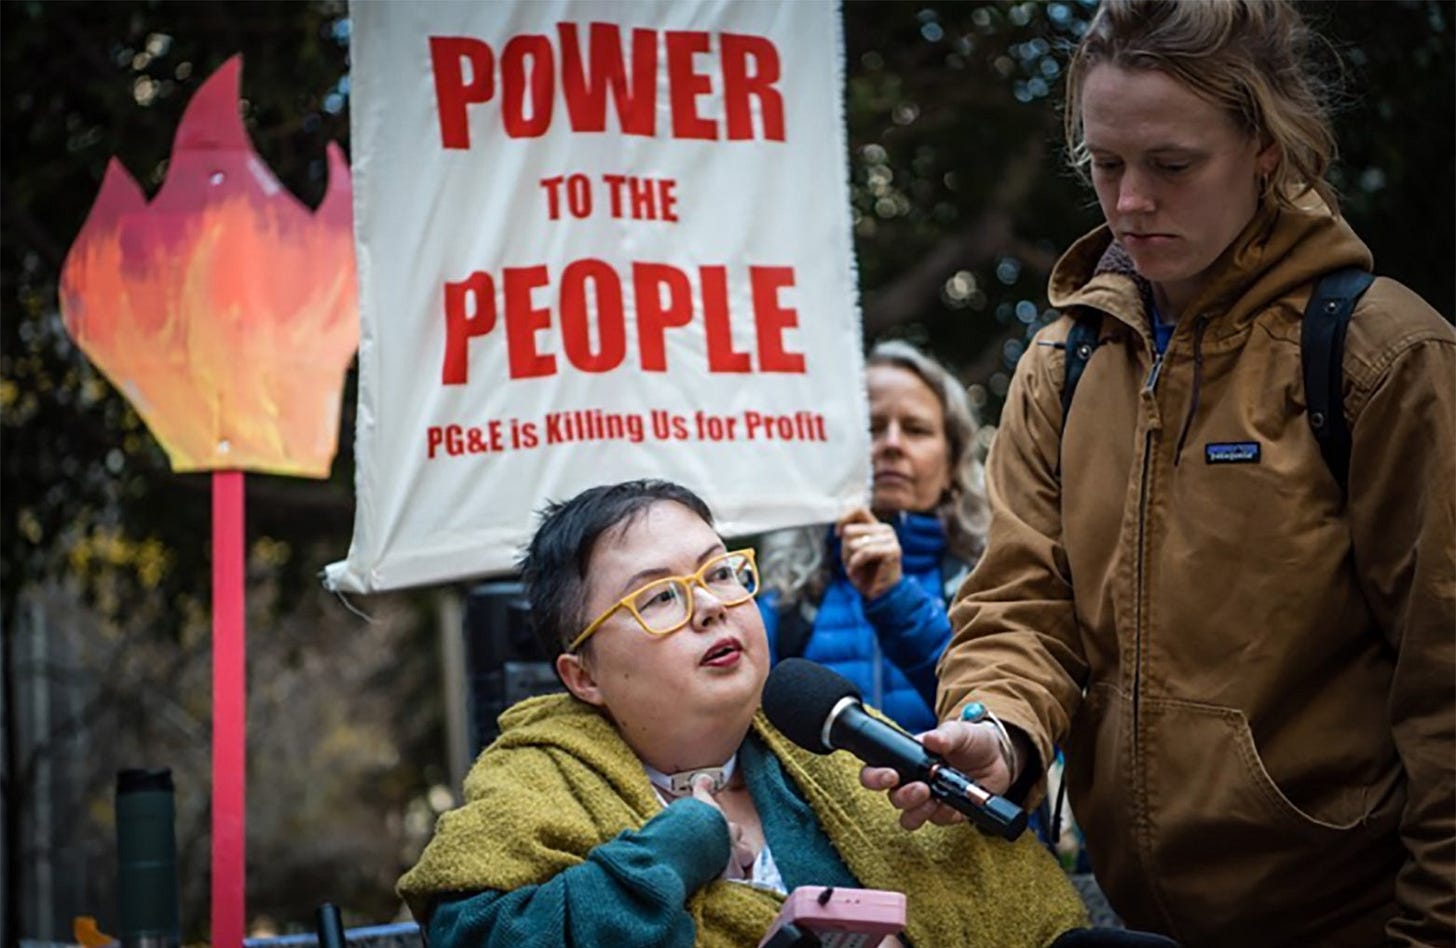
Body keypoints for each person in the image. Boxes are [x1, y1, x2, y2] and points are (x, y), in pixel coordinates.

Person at [862, 2, 1455, 947]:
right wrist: (996, 727)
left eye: (1172, 165)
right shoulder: (1063, 362)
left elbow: (1444, 683)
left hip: (1352, 920)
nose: (1130, 200)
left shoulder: (1383, 354)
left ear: (1266, 147)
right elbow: (1019, 604)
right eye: (1105, 164)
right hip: (1122, 922)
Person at [397, 479, 1089, 947]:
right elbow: (474, 934)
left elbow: (1031, 920)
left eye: (719, 572)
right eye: (660, 597)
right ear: (584, 676)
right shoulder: (535, 782)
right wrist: (678, 847)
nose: (709, 605)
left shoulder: (840, 752)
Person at [757, 340, 989, 733]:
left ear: (953, 463)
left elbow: (1014, 723)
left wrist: (896, 600)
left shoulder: (994, 583)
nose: (892, 444)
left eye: (915, 429)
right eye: (871, 429)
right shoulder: (787, 599)